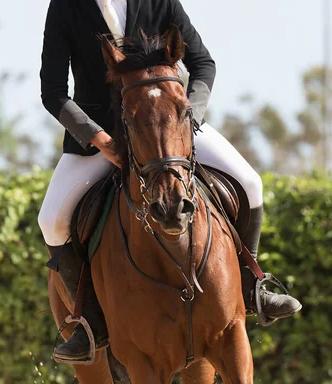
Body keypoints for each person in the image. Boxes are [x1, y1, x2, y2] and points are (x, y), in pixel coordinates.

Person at [38, 0, 302, 363]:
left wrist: (188, 117)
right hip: (103, 137)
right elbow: (53, 92)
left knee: (250, 182)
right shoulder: (67, 6)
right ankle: (89, 322)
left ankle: (253, 283)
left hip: (169, 127)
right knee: (51, 220)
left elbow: (202, 63)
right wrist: (100, 140)